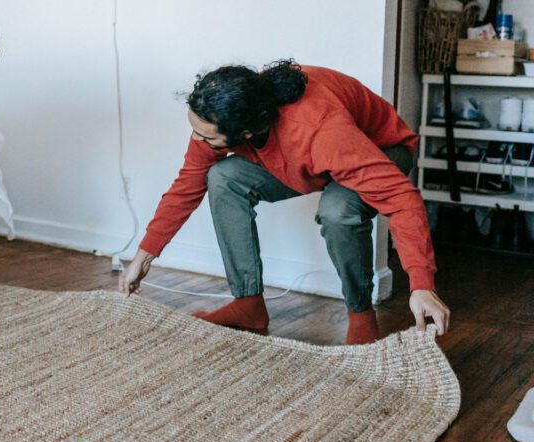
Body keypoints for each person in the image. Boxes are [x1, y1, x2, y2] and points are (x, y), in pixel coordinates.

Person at [119, 60, 449, 344]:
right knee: (221, 176)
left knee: (337, 210)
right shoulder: (223, 116)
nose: (198, 141)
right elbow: (186, 186)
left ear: (245, 131)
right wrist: (144, 256)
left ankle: (361, 317)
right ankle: (248, 304)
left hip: (380, 149)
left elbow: (400, 198)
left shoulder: (320, 130)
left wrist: (421, 285)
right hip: (311, 159)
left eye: (206, 136)